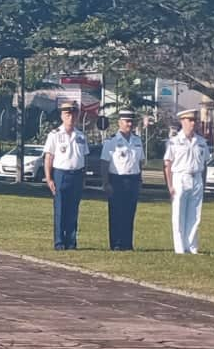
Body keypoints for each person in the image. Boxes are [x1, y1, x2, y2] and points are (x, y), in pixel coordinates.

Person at [42, 103, 89, 250]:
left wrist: (84, 177)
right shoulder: (55, 135)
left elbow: (84, 158)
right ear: (62, 116)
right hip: (61, 174)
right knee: (60, 209)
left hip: (77, 175)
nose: (71, 118)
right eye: (68, 115)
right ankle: (59, 242)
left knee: (73, 210)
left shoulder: (80, 136)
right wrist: (49, 178)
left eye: (73, 115)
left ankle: (71, 241)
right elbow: (49, 158)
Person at [163, 110, 210, 255]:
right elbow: (167, 164)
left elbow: (205, 163)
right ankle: (179, 247)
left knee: (195, 214)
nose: (193, 123)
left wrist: (204, 182)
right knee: (179, 214)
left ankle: (192, 246)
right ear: (182, 122)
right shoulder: (174, 141)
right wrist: (170, 185)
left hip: (196, 177)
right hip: (180, 177)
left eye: (194, 120)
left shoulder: (201, 142)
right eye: (189, 120)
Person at [100, 110, 145, 251]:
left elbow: (140, 162)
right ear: (119, 122)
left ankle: (127, 243)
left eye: (131, 121)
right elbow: (104, 163)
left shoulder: (137, 140)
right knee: (116, 213)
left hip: (133, 179)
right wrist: (106, 182)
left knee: (129, 213)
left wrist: (140, 179)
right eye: (127, 121)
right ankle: (116, 243)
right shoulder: (112, 141)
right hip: (117, 179)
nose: (129, 124)